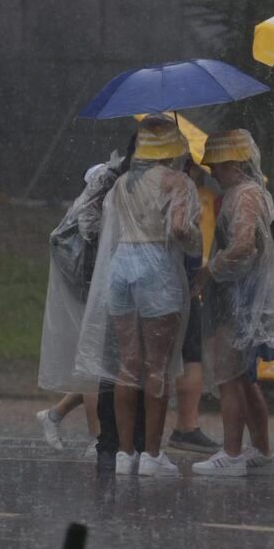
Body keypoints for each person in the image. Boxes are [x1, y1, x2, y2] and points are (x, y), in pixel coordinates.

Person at [75, 120, 202, 477]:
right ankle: (152, 454)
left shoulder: (121, 185)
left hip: (121, 268)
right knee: (156, 367)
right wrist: (193, 229)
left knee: (127, 364)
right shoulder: (178, 182)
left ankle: (124, 452)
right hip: (157, 269)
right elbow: (180, 230)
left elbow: (100, 225)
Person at [190, 130, 274, 478]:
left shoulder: (244, 196)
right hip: (242, 296)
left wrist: (208, 271)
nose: (211, 171)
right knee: (245, 379)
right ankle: (261, 451)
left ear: (233, 163)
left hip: (239, 298)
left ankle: (231, 454)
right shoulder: (246, 193)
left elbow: (244, 244)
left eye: (216, 165)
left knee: (230, 376)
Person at [37, 150, 129, 455]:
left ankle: (56, 414)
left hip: (96, 289)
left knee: (105, 368)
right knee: (98, 368)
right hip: (93, 291)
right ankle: (97, 437)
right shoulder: (92, 216)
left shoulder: (86, 212)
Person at [168, 162, 221, 455]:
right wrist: (191, 220)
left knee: (151, 358)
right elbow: (180, 230)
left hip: (156, 285)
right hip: (182, 284)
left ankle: (133, 437)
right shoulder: (181, 189)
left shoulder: (138, 186)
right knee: (190, 357)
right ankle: (186, 427)